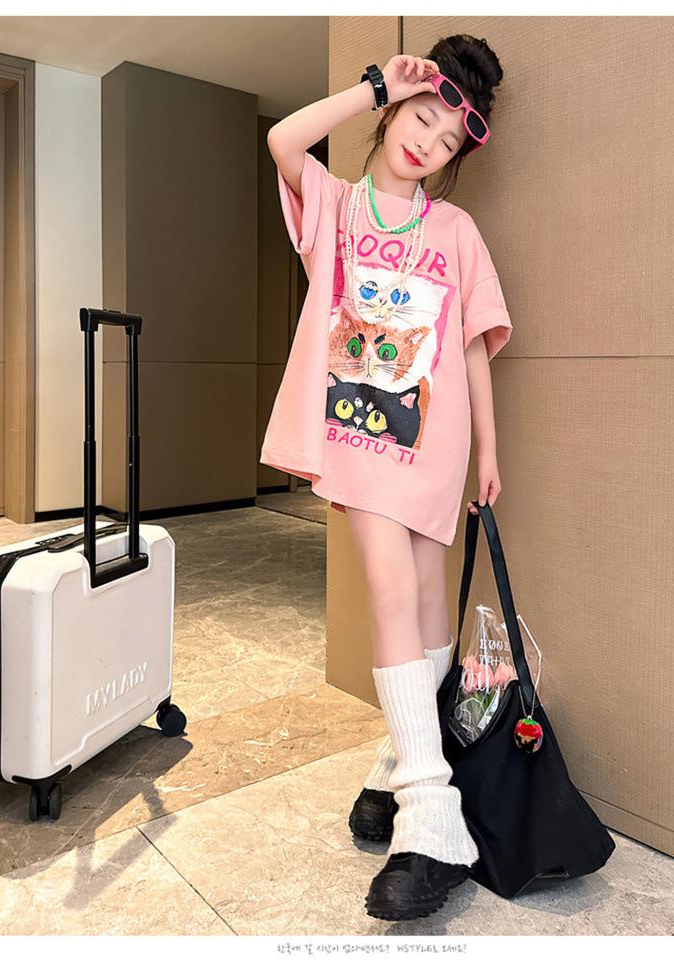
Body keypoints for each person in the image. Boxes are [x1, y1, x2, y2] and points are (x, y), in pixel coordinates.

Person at [260, 34, 513, 921]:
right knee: (388, 585)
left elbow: (474, 345)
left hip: (436, 439)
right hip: (357, 435)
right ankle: (432, 813)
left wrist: (489, 451)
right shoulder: (336, 205)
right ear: (397, 107)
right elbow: (283, 140)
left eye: (447, 141)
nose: (426, 144)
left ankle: (395, 763)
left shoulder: (456, 231)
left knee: (429, 599)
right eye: (421, 119)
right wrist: (371, 85)